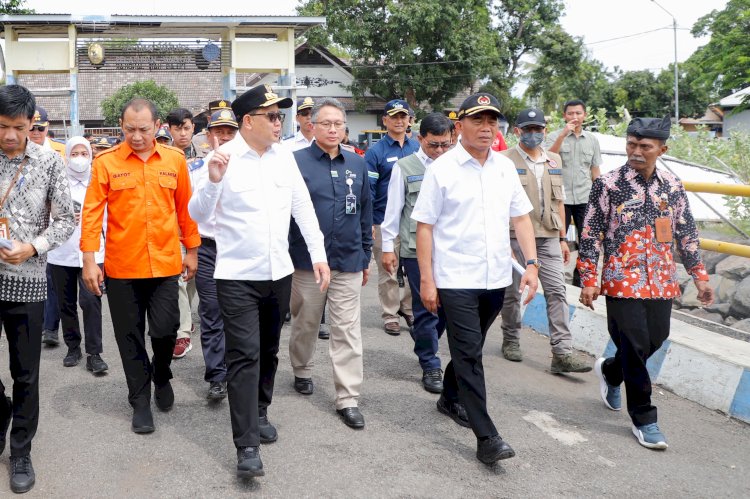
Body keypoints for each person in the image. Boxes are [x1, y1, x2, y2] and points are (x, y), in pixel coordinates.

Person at [189, 84, 330, 478]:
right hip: (236, 277)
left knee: (268, 350)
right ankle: (246, 444)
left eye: (279, 116)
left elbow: (301, 205)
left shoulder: (284, 157)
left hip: (278, 274)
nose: (278, 122)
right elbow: (196, 214)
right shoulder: (222, 158)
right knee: (245, 356)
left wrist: (318, 255)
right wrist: (214, 181)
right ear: (247, 121)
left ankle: (261, 409)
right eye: (271, 116)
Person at [412, 92, 539, 466]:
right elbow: (424, 227)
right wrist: (426, 280)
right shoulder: (443, 169)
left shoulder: (503, 168)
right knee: (468, 352)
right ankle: (488, 437)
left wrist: (530, 264)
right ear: (459, 126)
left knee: (472, 348)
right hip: (455, 277)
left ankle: (450, 396)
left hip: (495, 277)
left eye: (492, 121)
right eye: (478, 120)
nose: (486, 128)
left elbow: (521, 219)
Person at [577, 116, 714, 450]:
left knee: (656, 338)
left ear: (662, 149)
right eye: (631, 144)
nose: (636, 151)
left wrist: (700, 276)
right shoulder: (608, 184)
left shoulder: (673, 184)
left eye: (644, 146)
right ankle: (644, 418)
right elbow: (591, 232)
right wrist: (588, 279)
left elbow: (686, 232)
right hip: (621, 278)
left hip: (662, 278)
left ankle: (611, 370)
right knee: (635, 343)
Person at [81, 98, 200, 435]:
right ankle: (139, 400)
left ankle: (161, 374)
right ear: (121, 125)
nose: (136, 136)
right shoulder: (106, 163)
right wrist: (89, 260)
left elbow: (186, 211)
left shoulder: (175, 161)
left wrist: (192, 251)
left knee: (165, 331)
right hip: (122, 270)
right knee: (129, 337)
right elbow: (91, 214)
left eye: (144, 129)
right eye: (130, 129)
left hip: (165, 265)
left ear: (158, 126)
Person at [0, 84, 75, 493]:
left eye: (17, 127)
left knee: (25, 372)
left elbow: (66, 220)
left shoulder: (49, 162)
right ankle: (1, 415)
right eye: (2, 127)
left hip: (27, 282)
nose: (10, 136)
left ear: (32, 123)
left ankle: (21, 450)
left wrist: (32, 246)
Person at [288, 98, 372, 429]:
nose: (333, 129)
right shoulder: (295, 163)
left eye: (338, 124)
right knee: (306, 321)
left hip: (348, 258)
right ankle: (301, 368)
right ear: (312, 126)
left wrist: (366, 252)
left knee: (347, 329)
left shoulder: (357, 164)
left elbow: (365, 210)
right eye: (326, 123)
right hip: (307, 261)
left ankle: (347, 397)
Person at [498, 108, 591, 373]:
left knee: (557, 292)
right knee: (512, 294)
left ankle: (562, 352)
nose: (533, 134)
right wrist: (503, 241)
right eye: (528, 129)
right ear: (517, 131)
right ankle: (511, 338)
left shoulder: (553, 160)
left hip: (549, 235)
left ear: (544, 131)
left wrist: (563, 238)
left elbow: (558, 200)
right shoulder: (503, 160)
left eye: (538, 129)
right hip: (514, 235)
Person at [381, 112, 453, 394]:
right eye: (433, 145)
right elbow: (393, 211)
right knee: (426, 307)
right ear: (419, 138)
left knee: (446, 308)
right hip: (413, 249)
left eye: (445, 145)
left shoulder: (456, 166)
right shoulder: (405, 167)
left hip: (449, 249)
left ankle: (425, 340)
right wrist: (389, 248)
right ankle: (430, 363)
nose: (439, 151)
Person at [188, 107, 239, 401]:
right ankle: (217, 376)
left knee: (239, 312)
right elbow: (190, 214)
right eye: (219, 132)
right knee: (211, 312)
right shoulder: (196, 168)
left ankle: (238, 369)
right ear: (208, 136)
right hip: (207, 248)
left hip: (237, 246)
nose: (225, 137)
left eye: (230, 132)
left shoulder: (248, 165)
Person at [47, 137, 109, 374]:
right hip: (60, 254)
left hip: (93, 254)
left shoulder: (99, 181)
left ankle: (95, 353)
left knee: (91, 302)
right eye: (75, 153)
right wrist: (59, 219)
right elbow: (45, 213)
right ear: (67, 155)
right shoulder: (57, 182)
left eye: (84, 153)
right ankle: (73, 347)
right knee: (66, 304)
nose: (80, 158)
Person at [366, 99, 419, 335]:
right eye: (394, 117)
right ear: (385, 120)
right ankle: (390, 313)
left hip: (412, 219)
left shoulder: (417, 147)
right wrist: (369, 222)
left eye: (403, 116)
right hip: (382, 219)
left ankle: (408, 309)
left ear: (409, 120)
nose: (399, 121)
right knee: (388, 268)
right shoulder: (376, 151)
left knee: (412, 267)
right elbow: (368, 189)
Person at [544, 99, 602, 287]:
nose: (574, 117)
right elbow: (548, 160)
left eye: (578, 113)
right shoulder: (554, 136)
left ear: (584, 115)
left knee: (587, 240)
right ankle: (555, 278)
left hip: (585, 197)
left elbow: (595, 171)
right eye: (570, 113)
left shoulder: (592, 140)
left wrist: (599, 200)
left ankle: (581, 280)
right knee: (556, 239)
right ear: (564, 116)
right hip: (560, 197)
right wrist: (563, 135)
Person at [166, 107, 199, 358]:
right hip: (176, 228)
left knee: (192, 281)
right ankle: (183, 333)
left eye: (186, 127)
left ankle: (187, 317)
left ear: (193, 128)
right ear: (169, 129)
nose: (183, 133)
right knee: (179, 278)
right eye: (177, 128)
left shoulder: (208, 155)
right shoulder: (164, 156)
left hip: (203, 228)